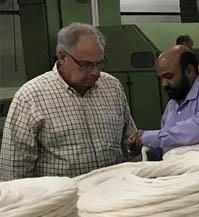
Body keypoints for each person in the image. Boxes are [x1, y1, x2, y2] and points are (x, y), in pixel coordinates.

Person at [0, 23, 136, 180]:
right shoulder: (31, 97)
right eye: (86, 64)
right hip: (64, 194)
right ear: (62, 57)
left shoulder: (112, 87)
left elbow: (130, 140)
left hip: (113, 188)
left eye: (99, 63)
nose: (95, 72)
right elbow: (15, 165)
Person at [126, 46, 199, 159]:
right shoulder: (172, 106)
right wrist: (145, 148)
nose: (164, 84)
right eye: (161, 78)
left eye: (169, 76)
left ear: (189, 71)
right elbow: (171, 144)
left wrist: (147, 137)